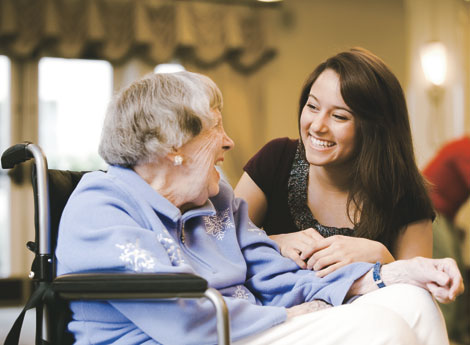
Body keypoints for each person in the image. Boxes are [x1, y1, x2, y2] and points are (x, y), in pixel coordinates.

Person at [56, 71, 463, 345]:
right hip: (190, 338)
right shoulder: (101, 205)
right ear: (171, 147)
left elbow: (279, 275)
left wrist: (390, 274)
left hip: (251, 328)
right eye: (215, 128)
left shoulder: (219, 201)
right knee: (379, 327)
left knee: (412, 302)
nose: (229, 142)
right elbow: (183, 318)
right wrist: (291, 318)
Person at [235, 47, 434, 276]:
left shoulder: (406, 194)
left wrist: (383, 258)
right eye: (312, 106)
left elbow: (418, 299)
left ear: (375, 130)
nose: (317, 126)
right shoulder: (276, 159)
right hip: (279, 311)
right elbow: (216, 247)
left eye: (339, 116)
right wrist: (273, 242)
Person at [422, 136, 470, 342]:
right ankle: (444, 336)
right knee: (447, 275)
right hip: (430, 211)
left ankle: (459, 335)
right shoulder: (465, 148)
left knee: (459, 273)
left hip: (446, 215)